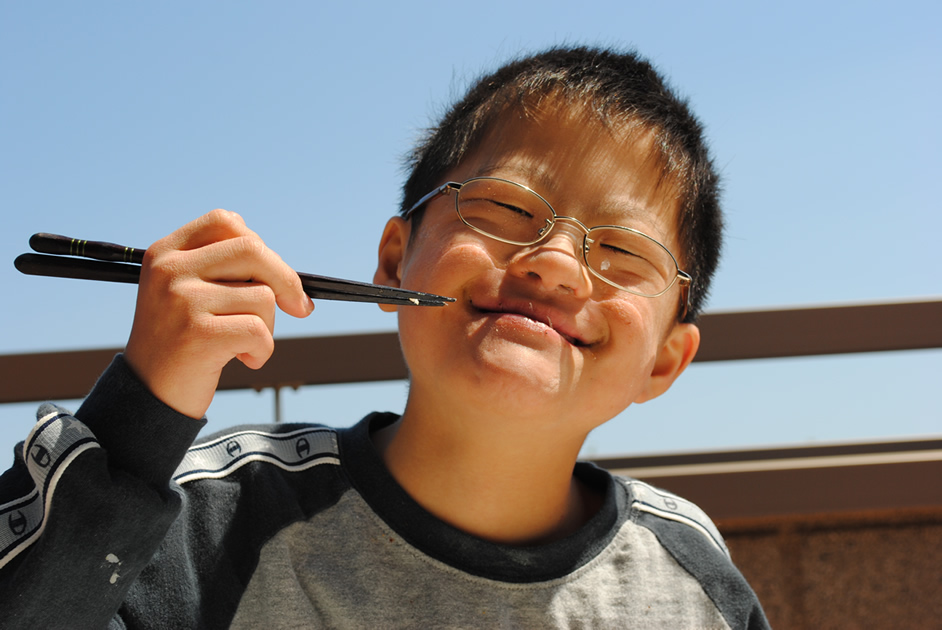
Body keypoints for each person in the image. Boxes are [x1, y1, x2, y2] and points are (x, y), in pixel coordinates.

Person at [0, 46, 769, 628]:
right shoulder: (209, 515)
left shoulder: (687, 587)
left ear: (667, 359)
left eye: (625, 252)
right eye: (503, 208)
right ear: (395, 257)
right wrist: (144, 411)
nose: (556, 265)